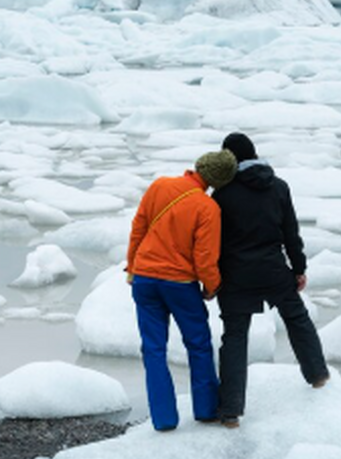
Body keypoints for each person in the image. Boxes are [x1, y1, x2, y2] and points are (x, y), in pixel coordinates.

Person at [212, 132, 330, 428]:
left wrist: (211, 277)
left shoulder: (222, 194)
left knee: (235, 338)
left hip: (235, 276)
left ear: (229, 157)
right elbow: (291, 232)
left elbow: (212, 242)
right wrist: (299, 268)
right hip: (274, 270)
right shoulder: (278, 187)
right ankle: (318, 376)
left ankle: (230, 412)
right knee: (297, 318)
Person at [126, 149, 237, 432]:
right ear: (220, 181)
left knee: (153, 350)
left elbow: (138, 228)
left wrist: (132, 268)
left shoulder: (159, 185)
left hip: (145, 280)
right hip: (180, 285)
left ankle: (163, 419)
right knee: (198, 345)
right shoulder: (207, 207)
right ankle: (206, 409)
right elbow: (204, 257)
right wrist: (212, 286)